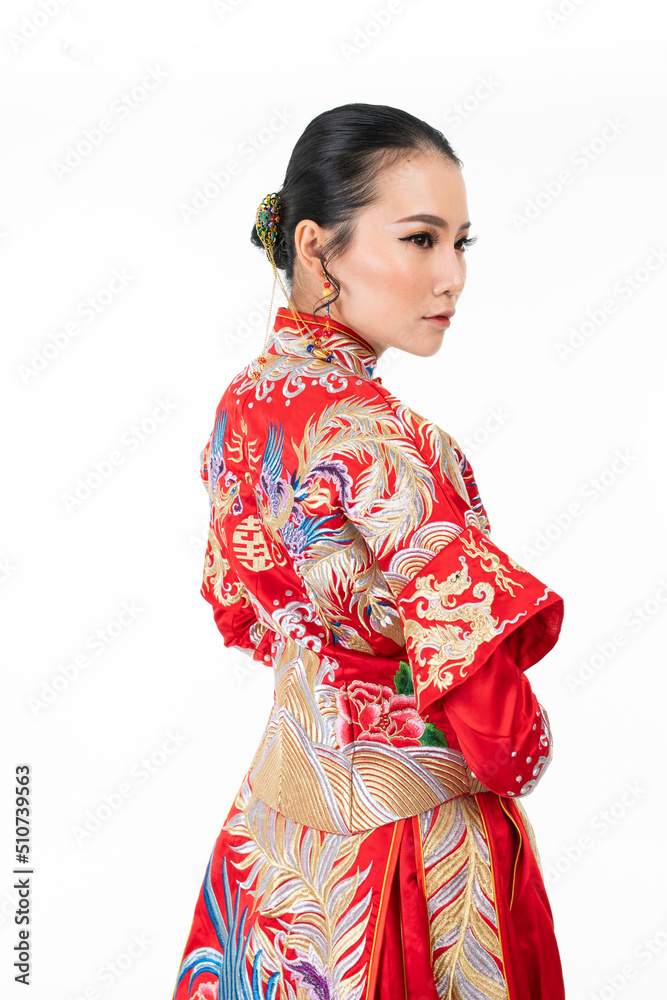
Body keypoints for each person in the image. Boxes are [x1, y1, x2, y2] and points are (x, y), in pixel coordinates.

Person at [170, 103, 566, 1000]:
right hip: (411, 854)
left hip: (274, 849)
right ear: (317, 248)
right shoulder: (380, 436)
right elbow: (491, 714)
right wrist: (525, 755)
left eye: (461, 243)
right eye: (421, 240)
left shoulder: (243, 405)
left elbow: (240, 608)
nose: (452, 276)